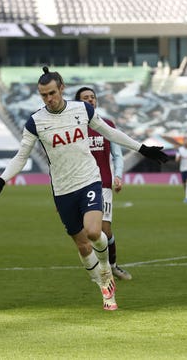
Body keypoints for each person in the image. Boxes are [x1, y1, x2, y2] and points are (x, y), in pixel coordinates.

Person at [0, 67, 168, 311]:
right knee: (82, 245)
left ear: (62, 89)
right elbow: (21, 156)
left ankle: (105, 275)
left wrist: (142, 148)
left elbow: (109, 132)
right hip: (62, 190)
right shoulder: (36, 122)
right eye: (43, 95)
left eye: (52, 93)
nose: (49, 99)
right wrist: (1, 180)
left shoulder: (82, 110)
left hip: (89, 180)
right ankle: (103, 282)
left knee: (94, 232)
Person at [75, 86, 131, 281]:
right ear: (78, 102)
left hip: (103, 184)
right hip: (80, 184)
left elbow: (117, 155)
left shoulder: (106, 124)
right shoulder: (74, 128)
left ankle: (112, 266)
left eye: (92, 97)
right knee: (86, 232)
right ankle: (97, 269)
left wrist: (118, 175)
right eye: (85, 98)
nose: (90, 100)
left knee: (104, 231)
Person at [175, 136, 187, 203]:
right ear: (183, 142)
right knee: (184, 184)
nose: (186, 142)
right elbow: (176, 160)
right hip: (183, 169)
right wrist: (180, 156)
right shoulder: (179, 150)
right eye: (185, 141)